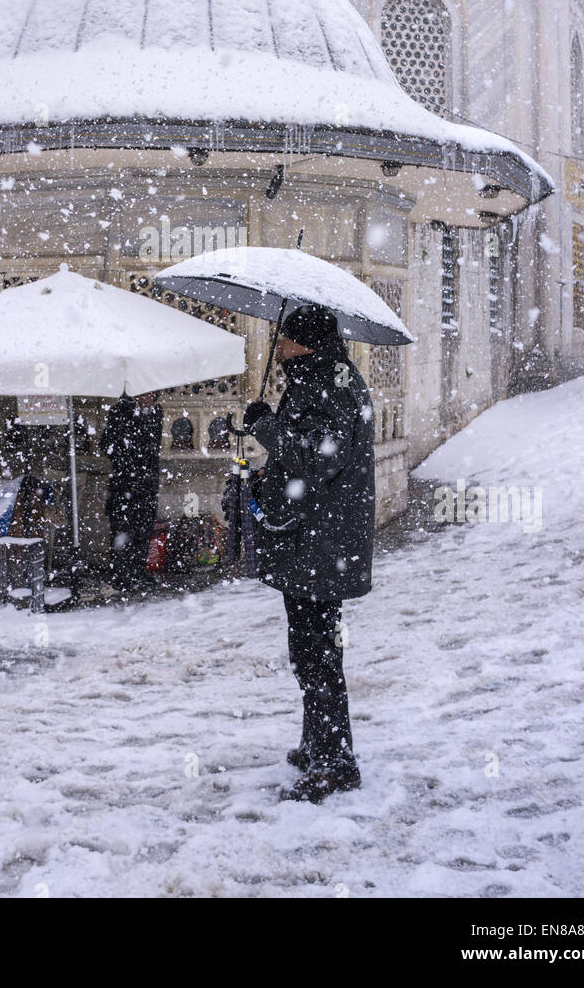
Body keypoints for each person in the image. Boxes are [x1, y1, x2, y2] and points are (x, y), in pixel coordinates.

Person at [243, 304, 375, 804]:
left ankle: (337, 763)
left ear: (309, 343)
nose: (277, 347)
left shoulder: (332, 385)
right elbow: (303, 457)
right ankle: (317, 742)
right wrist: (269, 476)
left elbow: (318, 458)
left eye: (285, 340)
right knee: (312, 649)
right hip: (314, 540)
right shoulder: (315, 379)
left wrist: (266, 430)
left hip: (323, 545)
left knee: (317, 653)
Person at [100, 391, 164, 594]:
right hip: (124, 484)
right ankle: (121, 576)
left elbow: (152, 446)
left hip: (146, 483)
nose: (150, 399)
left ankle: (137, 571)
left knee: (143, 529)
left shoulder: (155, 412)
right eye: (146, 395)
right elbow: (107, 444)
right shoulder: (120, 410)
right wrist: (127, 460)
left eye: (153, 396)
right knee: (122, 531)